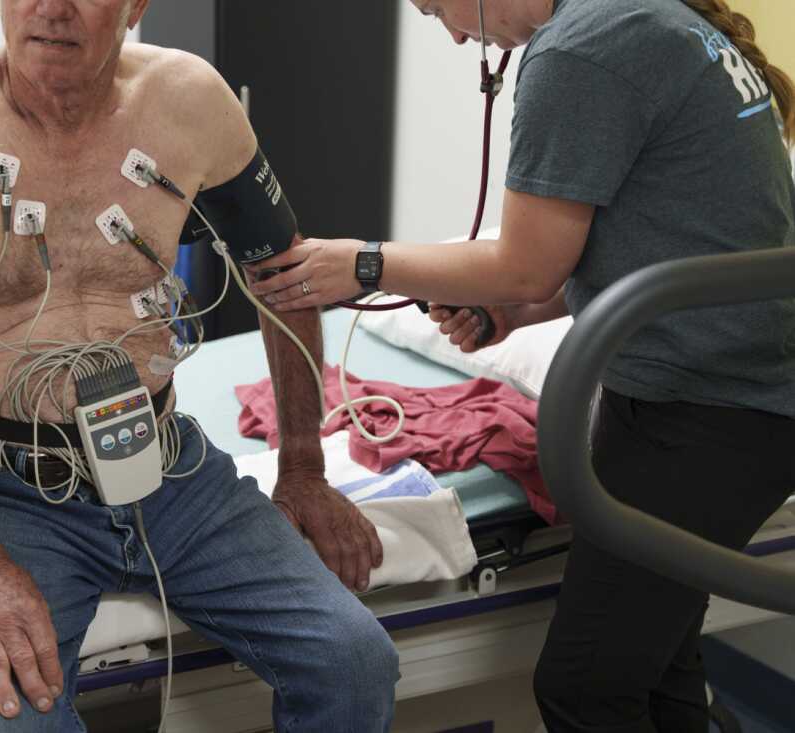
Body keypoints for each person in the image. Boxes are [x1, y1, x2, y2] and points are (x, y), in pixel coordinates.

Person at [0, 1, 399, 730]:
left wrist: (303, 465)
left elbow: (283, 273)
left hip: (167, 469)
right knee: (17, 722)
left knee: (354, 659)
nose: (51, 8)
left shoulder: (190, 100)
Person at [251, 0, 795, 730]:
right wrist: (513, 311)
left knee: (585, 689)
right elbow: (660, 238)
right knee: (659, 664)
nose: (449, 33)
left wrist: (365, 264)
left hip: (700, 412)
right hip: (742, 394)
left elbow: (527, 265)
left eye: (438, 8)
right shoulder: (649, 20)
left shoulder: (581, 49)